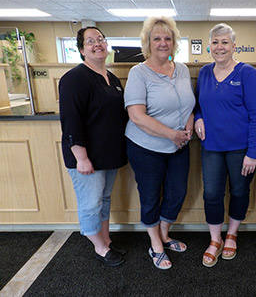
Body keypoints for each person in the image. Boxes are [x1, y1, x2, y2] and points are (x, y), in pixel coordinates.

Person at [124, 16, 195, 270]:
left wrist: (189, 123)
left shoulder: (183, 69)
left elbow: (187, 104)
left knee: (177, 193)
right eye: (157, 38)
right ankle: (155, 243)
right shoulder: (138, 73)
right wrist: (171, 134)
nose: (163, 43)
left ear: (174, 42)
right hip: (146, 147)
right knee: (151, 196)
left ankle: (165, 233)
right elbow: (136, 116)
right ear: (148, 43)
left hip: (178, 146)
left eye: (168, 38)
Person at [194, 23, 256, 268]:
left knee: (239, 191)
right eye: (215, 42)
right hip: (211, 147)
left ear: (234, 46)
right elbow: (198, 106)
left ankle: (232, 234)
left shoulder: (247, 73)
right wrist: (198, 118)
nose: (220, 47)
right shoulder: (204, 73)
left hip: (241, 149)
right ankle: (215, 239)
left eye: (225, 42)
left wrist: (253, 153)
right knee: (212, 194)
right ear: (209, 47)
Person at [59, 27, 128, 267]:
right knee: (90, 204)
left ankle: (106, 240)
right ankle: (99, 248)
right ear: (81, 49)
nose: (97, 44)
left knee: (104, 199)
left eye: (100, 39)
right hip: (87, 158)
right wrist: (81, 157)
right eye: (90, 41)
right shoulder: (75, 78)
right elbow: (70, 121)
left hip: (108, 155)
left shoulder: (112, 78)